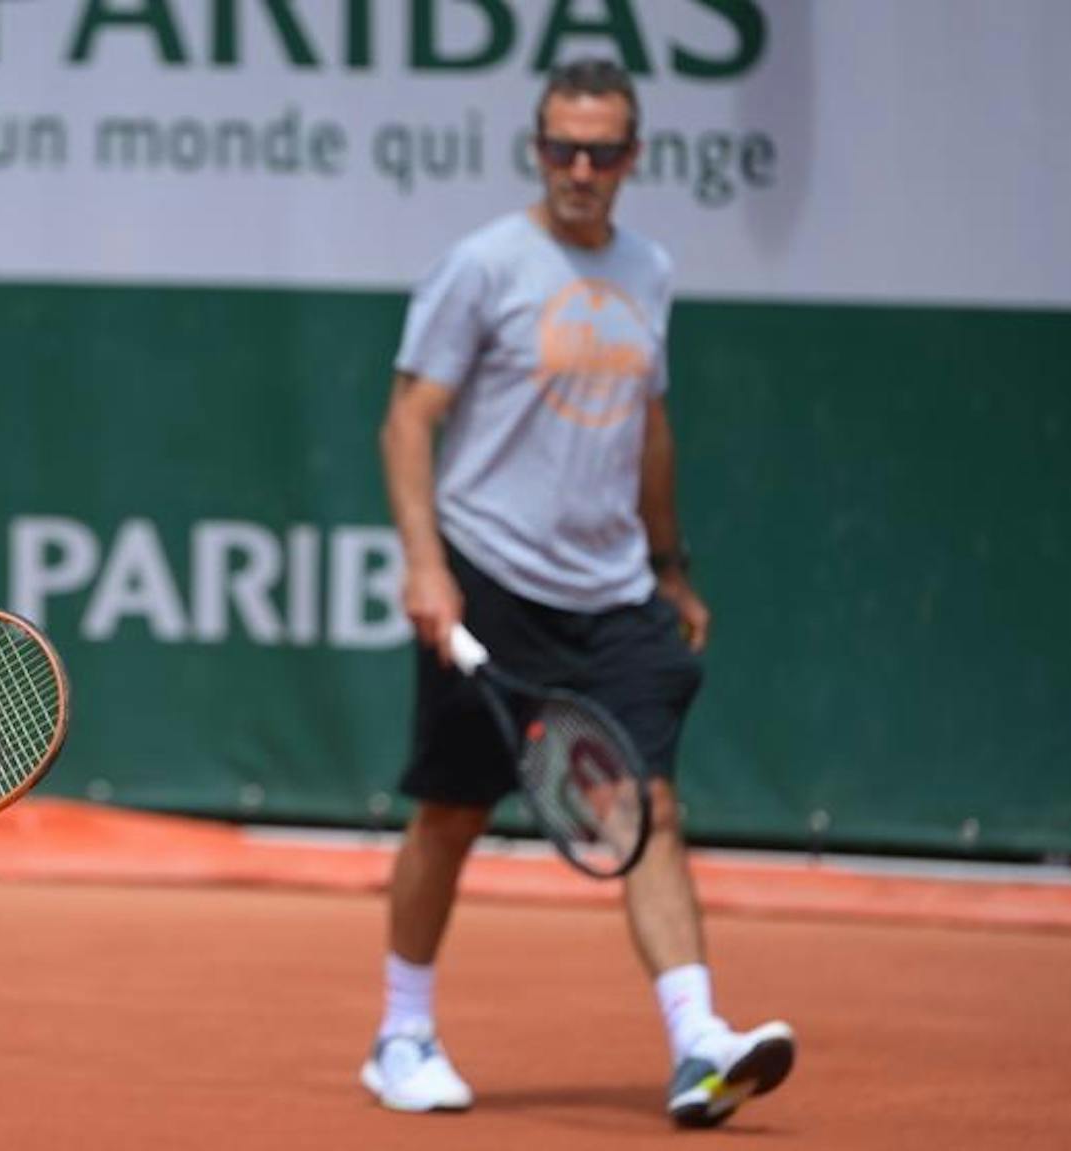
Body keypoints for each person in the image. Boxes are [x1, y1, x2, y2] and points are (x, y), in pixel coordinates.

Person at [362, 59, 795, 1128]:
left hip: (611, 595)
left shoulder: (647, 270)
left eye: (601, 150)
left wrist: (667, 562)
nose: (580, 168)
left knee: (646, 804)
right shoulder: (483, 265)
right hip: (492, 579)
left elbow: (648, 427)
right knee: (452, 813)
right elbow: (405, 421)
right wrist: (425, 565)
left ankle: (698, 1044)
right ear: (537, 149)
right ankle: (398, 1031)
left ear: (631, 157)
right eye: (562, 147)